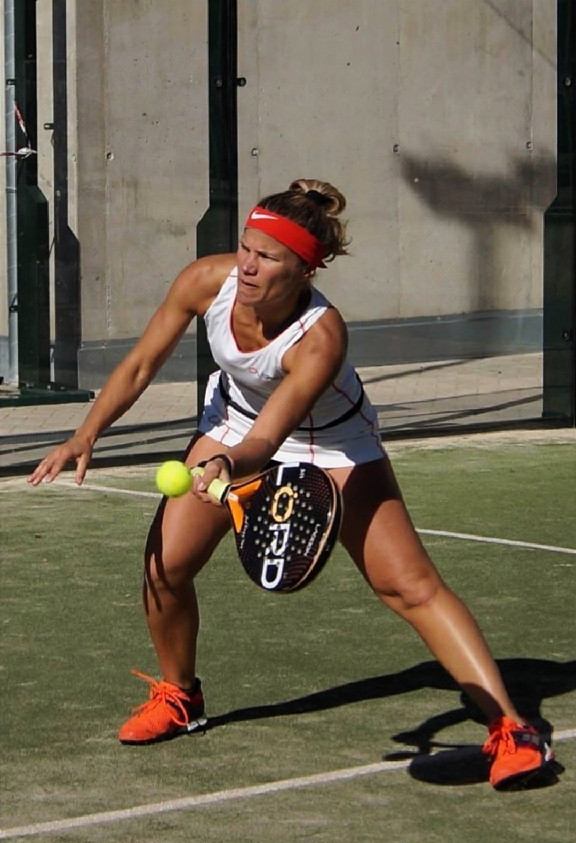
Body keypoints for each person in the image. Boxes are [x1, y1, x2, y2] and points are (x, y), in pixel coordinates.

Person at [28, 178, 555, 790]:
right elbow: (141, 364)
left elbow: (267, 442)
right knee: (164, 568)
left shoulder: (320, 336)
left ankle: (513, 729)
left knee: (409, 587)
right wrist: (86, 433)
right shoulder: (207, 281)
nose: (248, 265)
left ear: (306, 268)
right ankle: (180, 695)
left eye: (268, 257)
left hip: (331, 441)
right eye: (246, 247)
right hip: (233, 423)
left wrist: (229, 465)